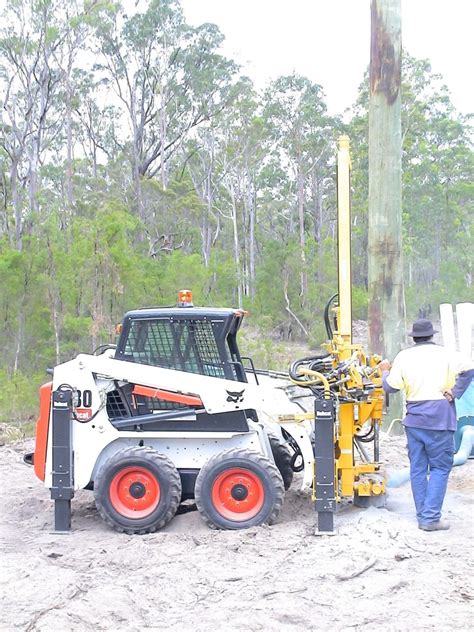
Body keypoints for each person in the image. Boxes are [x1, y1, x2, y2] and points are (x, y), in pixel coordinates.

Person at [380, 319, 474, 531]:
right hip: (440, 418)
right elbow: (470, 369)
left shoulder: (404, 356)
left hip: (414, 419)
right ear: (432, 336)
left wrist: (384, 371)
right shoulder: (447, 354)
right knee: (441, 467)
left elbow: (390, 387)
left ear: (413, 338)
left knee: (418, 468)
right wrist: (455, 391)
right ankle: (430, 518)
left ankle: (424, 514)